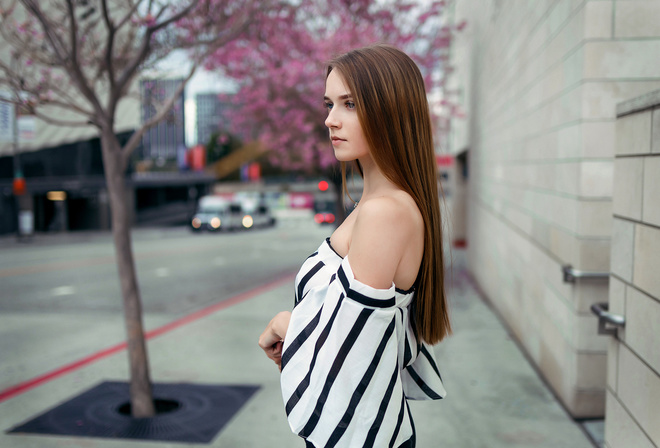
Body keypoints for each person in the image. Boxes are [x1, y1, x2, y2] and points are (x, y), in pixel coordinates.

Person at [258, 44, 451, 448]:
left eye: (349, 104)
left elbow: (349, 357)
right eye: (329, 104)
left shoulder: (385, 213)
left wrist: (285, 324)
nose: (330, 120)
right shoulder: (376, 204)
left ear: (391, 111)